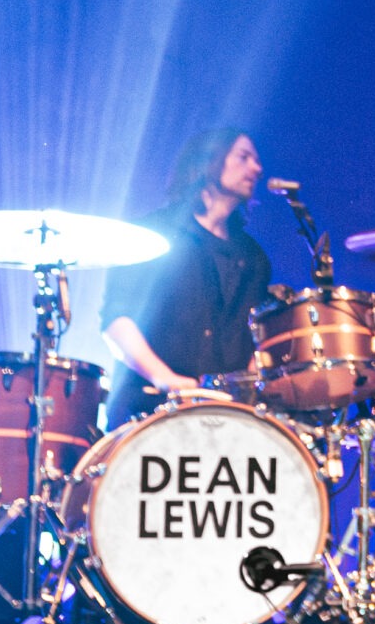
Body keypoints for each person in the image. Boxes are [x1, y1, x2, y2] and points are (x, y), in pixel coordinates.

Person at [100, 128, 275, 428]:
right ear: (209, 161)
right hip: (148, 410)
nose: (257, 169)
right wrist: (166, 379)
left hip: (223, 419)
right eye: (244, 157)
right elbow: (117, 323)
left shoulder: (253, 257)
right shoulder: (152, 234)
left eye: (257, 161)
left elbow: (255, 339)